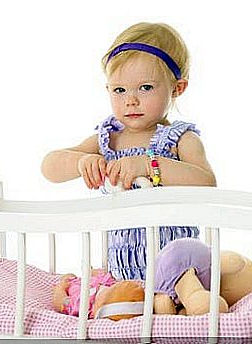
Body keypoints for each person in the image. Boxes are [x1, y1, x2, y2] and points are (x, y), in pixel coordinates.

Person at [41, 22, 216, 280]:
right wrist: (82, 162)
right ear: (108, 89)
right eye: (119, 90)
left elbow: (207, 183)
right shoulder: (108, 140)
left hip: (178, 269)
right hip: (121, 271)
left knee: (180, 296)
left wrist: (149, 165)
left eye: (145, 87)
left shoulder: (180, 139)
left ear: (177, 88)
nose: (130, 100)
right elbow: (49, 167)